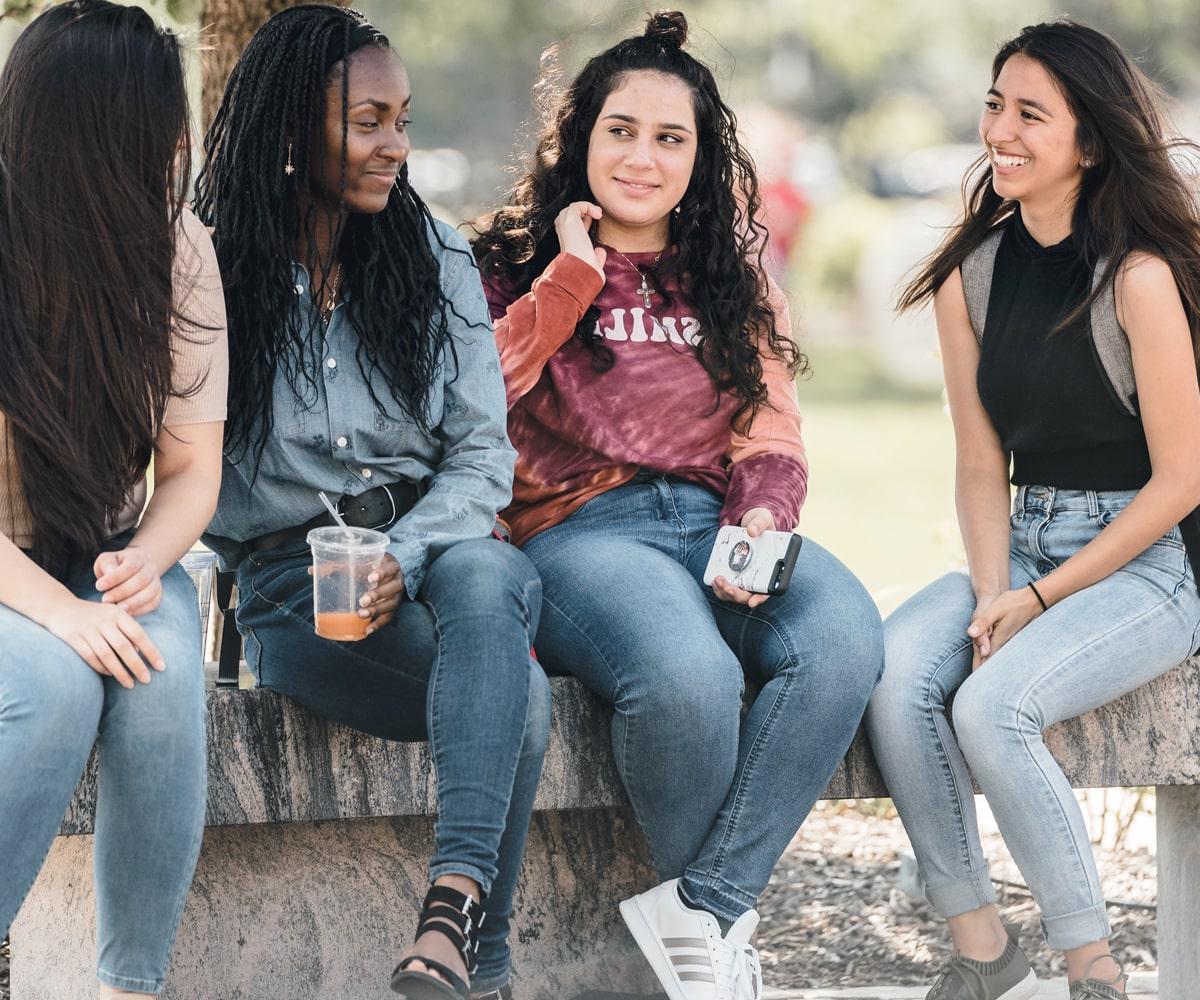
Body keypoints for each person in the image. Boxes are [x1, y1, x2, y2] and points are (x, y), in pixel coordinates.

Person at [471, 12, 884, 999]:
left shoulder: (732, 274)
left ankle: (705, 912)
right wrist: (572, 279)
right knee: (686, 675)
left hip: (715, 521)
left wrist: (762, 515)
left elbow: (771, 421)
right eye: (621, 130)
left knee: (845, 637)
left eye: (671, 138)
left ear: (701, 156)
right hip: (576, 536)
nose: (643, 157)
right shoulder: (502, 265)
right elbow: (470, 397)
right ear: (579, 137)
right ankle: (721, 960)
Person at [195, 6, 548, 999]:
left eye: (403, 118)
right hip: (288, 586)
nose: (396, 144)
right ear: (290, 128)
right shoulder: (207, 268)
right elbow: (177, 469)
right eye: (368, 120)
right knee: (516, 709)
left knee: (486, 565)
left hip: (435, 561)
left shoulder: (426, 255)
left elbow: (482, 454)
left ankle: (448, 922)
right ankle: (484, 962)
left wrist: (411, 554)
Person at [866, 21, 1200, 1000]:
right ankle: (982, 948)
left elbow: (1182, 479)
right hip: (1017, 542)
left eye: (1030, 114)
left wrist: (1041, 597)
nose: (999, 130)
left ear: (1089, 142)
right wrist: (990, 593)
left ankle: (1094, 968)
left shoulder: (1137, 279)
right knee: (894, 676)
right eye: (995, 104)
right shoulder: (970, 276)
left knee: (993, 705)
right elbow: (979, 463)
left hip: (1142, 567)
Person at [0, 2, 227, 997]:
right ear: (87, 136)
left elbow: (188, 468)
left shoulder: (176, 251)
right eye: (157, 123)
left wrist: (143, 558)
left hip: (100, 550)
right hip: (13, 573)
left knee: (164, 671)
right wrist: (60, 615)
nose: (180, 143)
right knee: (51, 689)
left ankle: (127, 988)